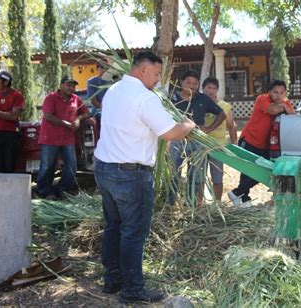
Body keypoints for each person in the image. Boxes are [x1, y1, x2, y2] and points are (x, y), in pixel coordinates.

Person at [93, 51, 195, 304]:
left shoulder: (113, 91)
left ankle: (112, 279)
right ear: (142, 71)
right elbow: (170, 133)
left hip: (105, 169)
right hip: (131, 175)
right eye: (157, 73)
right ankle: (132, 289)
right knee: (133, 232)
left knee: (113, 226)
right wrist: (189, 126)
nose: (158, 79)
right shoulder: (144, 97)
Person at [227, 80, 295, 207]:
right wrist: (284, 106)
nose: (278, 95)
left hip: (266, 145)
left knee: (262, 171)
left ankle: (238, 193)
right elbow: (272, 110)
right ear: (269, 92)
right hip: (249, 140)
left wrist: (285, 106)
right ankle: (243, 197)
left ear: (285, 93)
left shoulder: (284, 102)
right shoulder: (262, 99)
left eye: (282, 93)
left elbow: (293, 114)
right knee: (247, 170)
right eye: (275, 92)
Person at [169, 70, 226, 206]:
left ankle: (191, 206)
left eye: (195, 83)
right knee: (173, 174)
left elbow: (222, 114)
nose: (192, 86)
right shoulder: (172, 99)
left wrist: (208, 128)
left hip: (197, 141)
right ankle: (170, 205)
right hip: (176, 140)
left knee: (196, 176)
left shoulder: (202, 98)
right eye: (188, 82)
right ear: (182, 83)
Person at [36, 76, 90, 200]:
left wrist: (78, 119)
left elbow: (86, 113)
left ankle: (63, 190)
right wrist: (66, 124)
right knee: (47, 166)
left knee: (72, 166)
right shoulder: (51, 98)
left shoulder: (76, 99)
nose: (71, 88)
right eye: (68, 85)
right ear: (61, 85)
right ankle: (45, 191)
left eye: (73, 86)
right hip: (50, 138)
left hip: (67, 139)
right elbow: (48, 116)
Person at [202, 77, 238, 201]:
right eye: (208, 88)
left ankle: (217, 204)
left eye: (214, 88)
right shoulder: (198, 104)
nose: (211, 91)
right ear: (203, 89)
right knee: (199, 178)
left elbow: (231, 126)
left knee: (217, 179)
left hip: (217, 147)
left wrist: (234, 145)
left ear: (217, 90)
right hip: (199, 147)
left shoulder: (224, 106)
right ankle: (198, 204)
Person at [0, 70, 25, 173]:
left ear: (6, 82)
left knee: (9, 164)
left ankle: (9, 187)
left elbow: (14, 116)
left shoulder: (16, 95)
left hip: (10, 134)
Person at [87, 60, 110, 127]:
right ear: (98, 68)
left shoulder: (113, 81)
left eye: (106, 67)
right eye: (102, 67)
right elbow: (93, 100)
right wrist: (104, 109)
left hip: (111, 111)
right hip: (99, 112)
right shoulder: (92, 81)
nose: (104, 69)